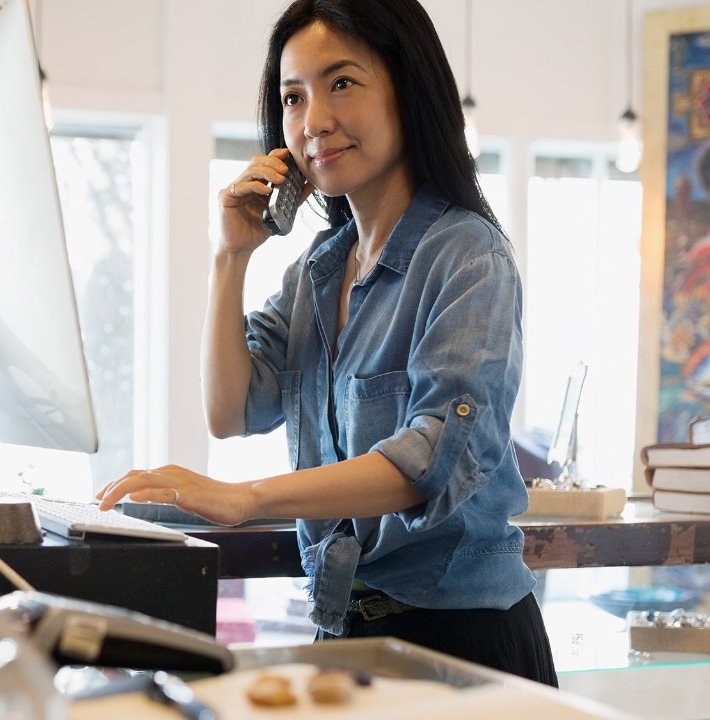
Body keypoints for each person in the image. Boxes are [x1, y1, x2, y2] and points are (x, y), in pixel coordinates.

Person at [96, 0, 558, 686]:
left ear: (408, 87)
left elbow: (429, 459)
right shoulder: (319, 269)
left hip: (462, 639)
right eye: (293, 96)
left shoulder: (466, 254)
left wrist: (247, 496)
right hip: (347, 626)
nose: (312, 122)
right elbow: (230, 411)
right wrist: (231, 258)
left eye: (341, 82)